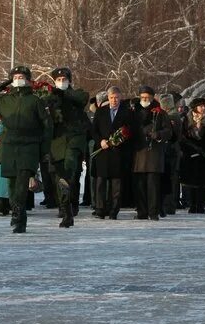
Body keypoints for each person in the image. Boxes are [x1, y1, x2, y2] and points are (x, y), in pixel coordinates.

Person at [0, 66, 52, 233]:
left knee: (21, 184)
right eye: (15, 77)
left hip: (29, 147)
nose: (19, 79)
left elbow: (47, 125)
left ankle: (19, 218)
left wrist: (44, 148)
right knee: (12, 185)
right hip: (9, 147)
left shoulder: (35, 101)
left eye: (22, 76)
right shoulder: (5, 100)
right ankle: (16, 212)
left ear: (28, 80)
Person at [48, 67, 90, 228]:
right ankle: (65, 209)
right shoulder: (51, 97)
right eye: (58, 80)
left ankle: (71, 207)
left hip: (74, 140)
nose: (61, 82)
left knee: (69, 173)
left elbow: (82, 98)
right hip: (57, 142)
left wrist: (64, 92)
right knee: (59, 177)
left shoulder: (76, 94)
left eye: (64, 80)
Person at [92, 86, 134, 220]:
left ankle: (114, 209)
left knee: (116, 184)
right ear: (108, 98)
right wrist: (100, 141)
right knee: (101, 182)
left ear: (120, 97)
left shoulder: (127, 112)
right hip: (103, 152)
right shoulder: (101, 112)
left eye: (116, 97)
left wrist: (120, 140)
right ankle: (100, 208)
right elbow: (94, 130)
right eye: (111, 98)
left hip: (118, 153)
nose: (114, 100)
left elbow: (130, 131)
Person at [131, 86, 171, 221]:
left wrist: (158, 134)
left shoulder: (160, 113)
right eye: (142, 97)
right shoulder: (134, 111)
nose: (144, 100)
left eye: (147, 97)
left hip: (153, 153)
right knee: (140, 185)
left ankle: (153, 212)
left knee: (153, 186)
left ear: (153, 98)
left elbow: (168, 132)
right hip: (138, 153)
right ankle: (142, 211)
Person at [180, 98, 205, 214]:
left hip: (204, 154)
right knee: (191, 181)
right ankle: (192, 204)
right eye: (200, 106)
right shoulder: (187, 119)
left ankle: (201, 204)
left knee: (203, 182)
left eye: (204, 106)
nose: (203, 108)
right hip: (190, 153)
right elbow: (183, 136)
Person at [159, 93, 183, 216]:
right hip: (172, 150)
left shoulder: (172, 116)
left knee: (171, 179)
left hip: (171, 151)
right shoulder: (173, 115)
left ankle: (169, 205)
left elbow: (173, 135)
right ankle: (169, 204)